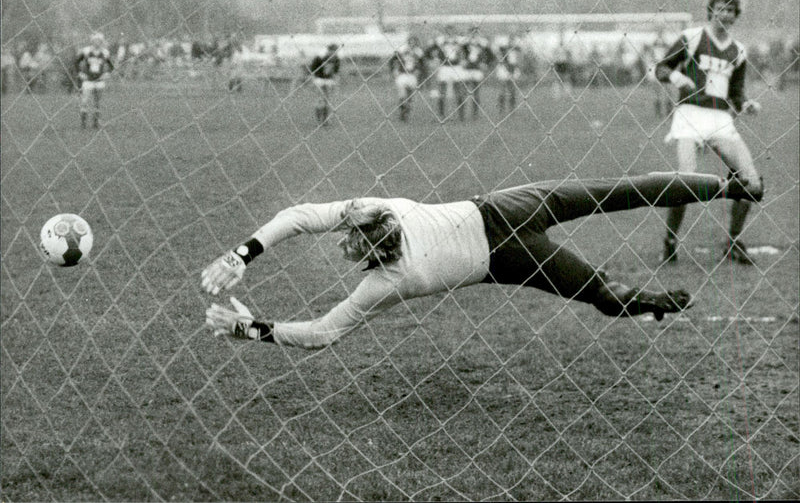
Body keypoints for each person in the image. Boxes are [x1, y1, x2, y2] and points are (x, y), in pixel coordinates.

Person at [201, 171, 761, 349]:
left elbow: (324, 333)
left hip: (508, 256)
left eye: (352, 243)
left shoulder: (388, 281)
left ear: (369, 249)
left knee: (599, 293)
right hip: (503, 207)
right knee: (616, 190)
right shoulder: (384, 207)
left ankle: (653, 302)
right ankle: (726, 185)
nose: (346, 243)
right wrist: (242, 254)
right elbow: (298, 215)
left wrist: (248, 328)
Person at [655, 0, 763, 265]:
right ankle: (669, 239)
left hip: (720, 120)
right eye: (720, 8)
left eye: (730, 9)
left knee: (750, 182)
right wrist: (677, 79)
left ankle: (733, 241)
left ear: (735, 15)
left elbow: (736, 93)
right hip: (690, 114)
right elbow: (661, 67)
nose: (725, 14)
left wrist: (746, 104)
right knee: (685, 182)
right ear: (710, 10)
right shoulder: (691, 38)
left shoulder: (738, 51)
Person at [425, 26, 466, 122]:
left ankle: (461, 115)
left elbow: (467, 50)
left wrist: (464, 59)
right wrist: (433, 58)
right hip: (445, 67)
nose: (450, 33)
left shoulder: (460, 40)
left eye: (452, 31)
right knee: (442, 90)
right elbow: (429, 50)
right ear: (446, 32)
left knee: (459, 90)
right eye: (448, 31)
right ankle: (441, 114)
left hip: (456, 67)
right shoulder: (440, 40)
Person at [75, 32, 114, 129]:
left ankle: (95, 124)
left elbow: (111, 66)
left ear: (101, 42)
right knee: (85, 101)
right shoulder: (86, 51)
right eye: (95, 40)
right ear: (92, 41)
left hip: (99, 79)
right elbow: (76, 62)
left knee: (97, 101)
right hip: (88, 79)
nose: (97, 42)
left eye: (99, 41)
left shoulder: (105, 52)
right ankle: (83, 124)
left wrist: (107, 73)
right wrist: (80, 73)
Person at [389, 35, 426, 122]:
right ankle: (403, 112)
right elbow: (392, 60)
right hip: (402, 74)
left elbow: (423, 64)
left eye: (414, 42)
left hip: (412, 75)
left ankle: (406, 112)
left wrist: (419, 71)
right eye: (411, 41)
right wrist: (394, 70)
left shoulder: (419, 52)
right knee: (402, 94)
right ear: (408, 42)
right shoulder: (401, 50)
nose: (412, 43)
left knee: (409, 95)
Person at [308, 43, 341, 127]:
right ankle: (319, 120)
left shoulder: (336, 59)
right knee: (320, 100)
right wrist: (312, 81)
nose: (335, 53)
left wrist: (336, 83)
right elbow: (312, 70)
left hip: (329, 80)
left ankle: (325, 120)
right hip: (319, 79)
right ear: (329, 50)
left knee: (327, 100)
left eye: (336, 51)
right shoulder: (319, 58)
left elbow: (335, 73)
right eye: (333, 51)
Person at [494, 36, 523, 114]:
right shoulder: (503, 50)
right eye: (510, 41)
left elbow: (518, 60)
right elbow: (501, 59)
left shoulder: (516, 50)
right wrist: (507, 68)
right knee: (502, 89)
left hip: (513, 69)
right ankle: (501, 108)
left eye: (513, 41)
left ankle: (512, 108)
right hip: (504, 69)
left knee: (512, 89)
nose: (511, 43)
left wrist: (514, 69)